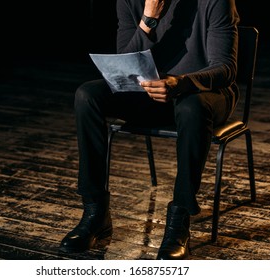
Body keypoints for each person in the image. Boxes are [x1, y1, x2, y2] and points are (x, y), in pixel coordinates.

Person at [59, 0, 240, 260]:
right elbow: (125, 64)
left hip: (203, 93)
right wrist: (149, 20)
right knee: (87, 95)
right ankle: (95, 212)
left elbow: (226, 69)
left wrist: (182, 82)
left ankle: (180, 217)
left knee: (191, 108)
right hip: (152, 92)